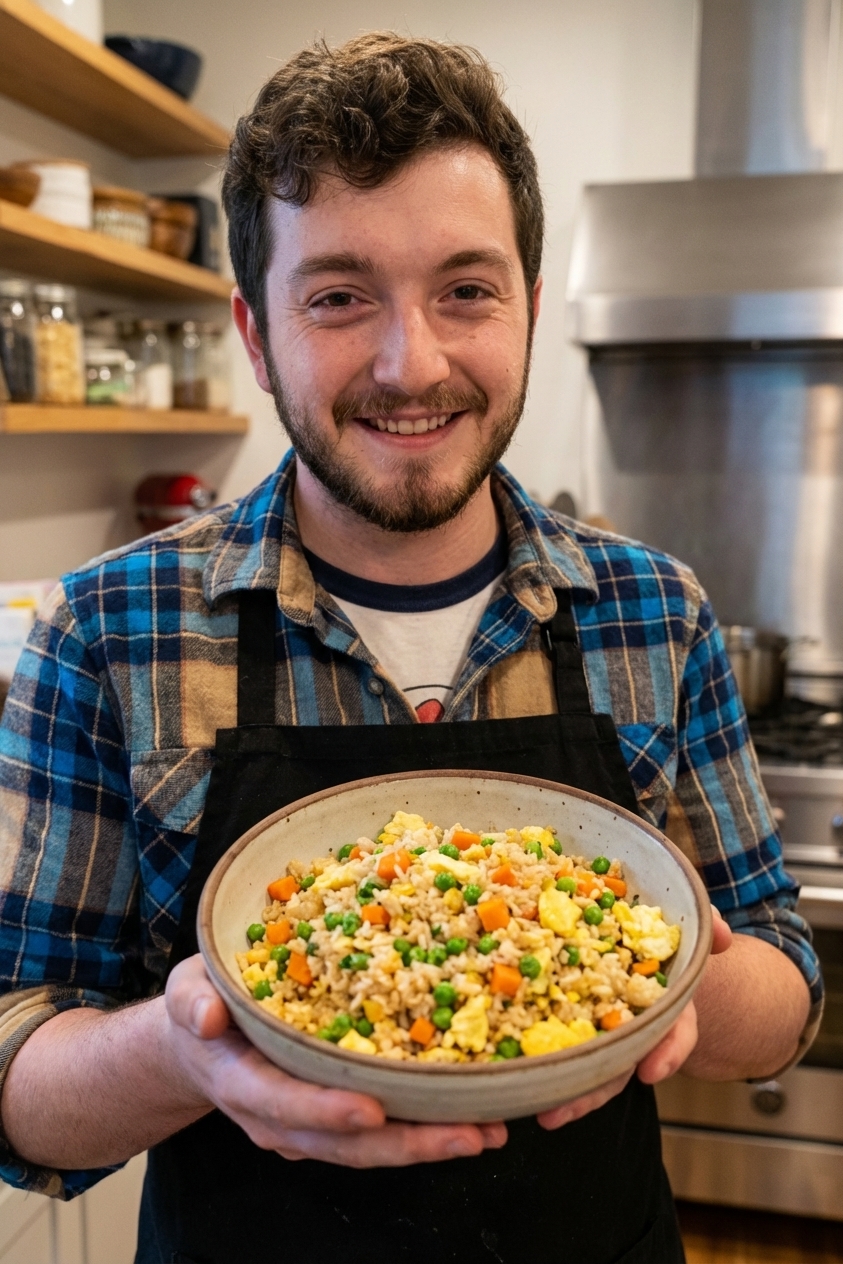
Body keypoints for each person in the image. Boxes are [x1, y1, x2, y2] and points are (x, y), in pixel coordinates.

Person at [0, 32, 820, 1264]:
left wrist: (655, 958)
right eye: (338, 297)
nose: (413, 363)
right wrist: (188, 1050)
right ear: (255, 330)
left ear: (530, 310)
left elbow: (787, 993)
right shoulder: (107, 630)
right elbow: (17, 1071)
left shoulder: (658, 608)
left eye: (467, 291)